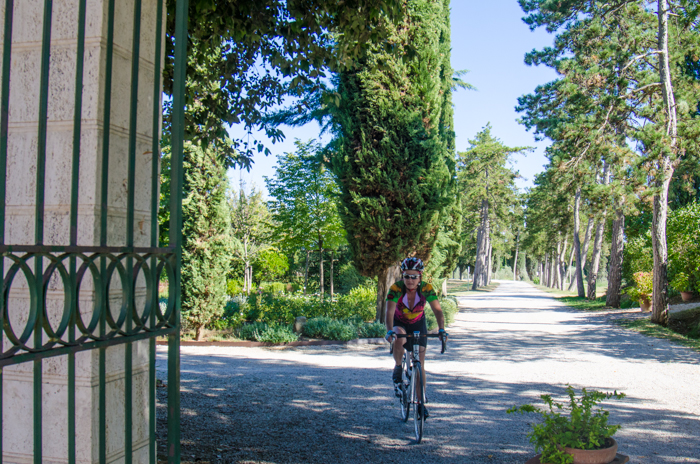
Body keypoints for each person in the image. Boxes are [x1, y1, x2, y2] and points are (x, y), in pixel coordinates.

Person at [385, 257, 447, 419]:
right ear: (402, 276)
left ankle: (420, 403)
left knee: (420, 364)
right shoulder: (395, 289)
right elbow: (389, 312)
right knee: (399, 337)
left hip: (418, 323)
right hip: (400, 322)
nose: (410, 280)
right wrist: (390, 331)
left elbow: (438, 311)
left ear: (420, 276)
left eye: (414, 276)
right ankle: (398, 367)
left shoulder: (426, 288)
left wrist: (441, 329)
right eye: (407, 276)